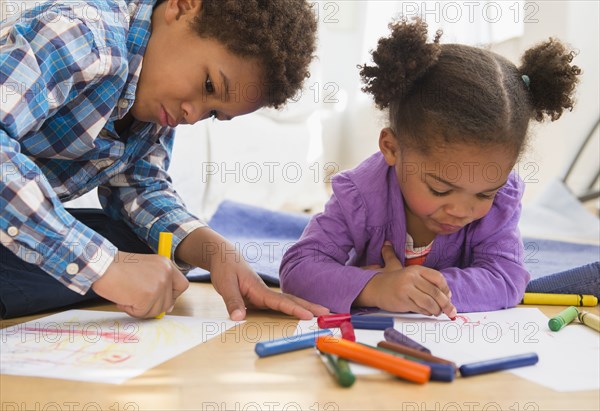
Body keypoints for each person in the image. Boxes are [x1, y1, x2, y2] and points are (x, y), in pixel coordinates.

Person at [0, 0, 329, 320]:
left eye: (213, 113)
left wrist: (218, 254)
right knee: (110, 259)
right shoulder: (81, 34)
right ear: (183, 6)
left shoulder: (154, 103)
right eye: (209, 84)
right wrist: (105, 266)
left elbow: (139, 187)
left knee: (148, 250)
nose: (193, 114)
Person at [280, 18, 581, 316]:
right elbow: (299, 269)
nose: (462, 210)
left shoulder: (503, 200)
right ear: (391, 148)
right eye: (440, 189)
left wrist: (421, 289)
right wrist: (378, 288)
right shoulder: (359, 195)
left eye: (483, 195)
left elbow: (506, 278)